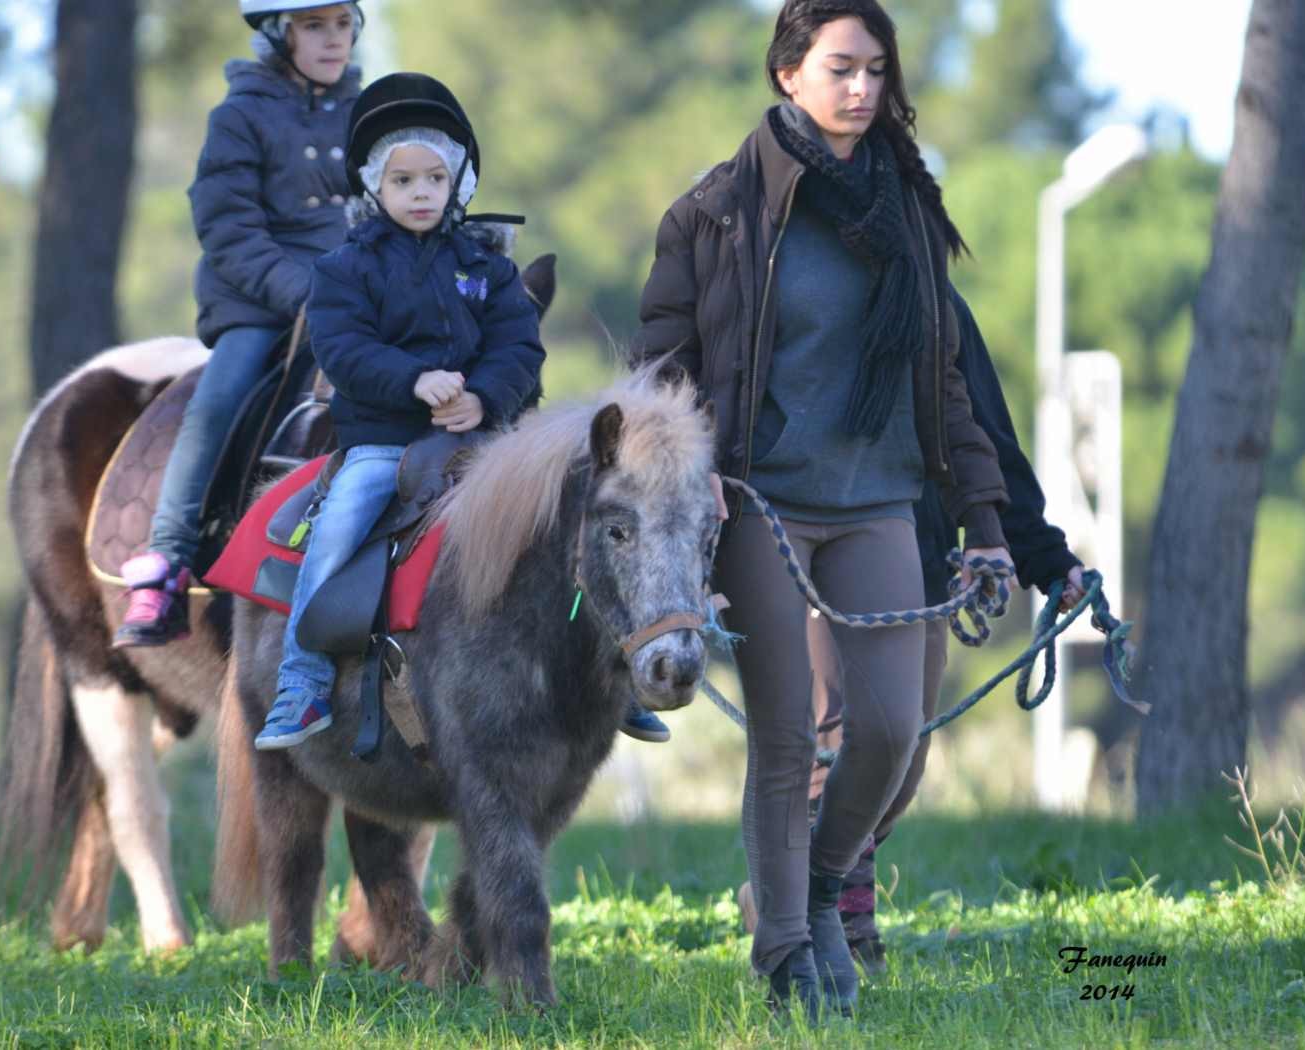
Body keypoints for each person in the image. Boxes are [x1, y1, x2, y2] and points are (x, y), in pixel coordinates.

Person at [631, 0, 1016, 1017]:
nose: (862, 90)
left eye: (877, 71)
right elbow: (659, 370)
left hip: (883, 500)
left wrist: (986, 523)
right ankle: (786, 956)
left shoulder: (909, 211)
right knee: (788, 740)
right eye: (841, 68)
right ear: (787, 73)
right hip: (761, 499)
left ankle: (809, 885)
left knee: (892, 729)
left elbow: (946, 381)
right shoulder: (715, 213)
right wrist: (693, 463)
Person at [736, 289, 1090, 977]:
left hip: (915, 555)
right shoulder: (774, 281)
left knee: (896, 763)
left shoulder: (936, 303)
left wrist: (1046, 557)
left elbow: (984, 438)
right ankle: (836, 932)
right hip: (798, 545)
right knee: (833, 742)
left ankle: (783, 893)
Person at [253, 73, 546, 748]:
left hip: (486, 443)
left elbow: (518, 347)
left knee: (570, 515)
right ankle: (302, 681)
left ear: (457, 185)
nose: (420, 193)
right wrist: (414, 381)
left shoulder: (489, 268)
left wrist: (483, 398)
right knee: (341, 521)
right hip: (385, 444)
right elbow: (344, 348)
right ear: (375, 189)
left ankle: (606, 662)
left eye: (434, 179)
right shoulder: (343, 269)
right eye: (403, 180)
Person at [115, 1, 365, 647]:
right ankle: (166, 560)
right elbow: (227, 226)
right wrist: (301, 292)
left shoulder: (373, 113)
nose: (332, 40)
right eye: (314, 26)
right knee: (221, 394)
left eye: (342, 24)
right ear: (280, 35)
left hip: (358, 297)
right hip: (261, 300)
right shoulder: (239, 116)